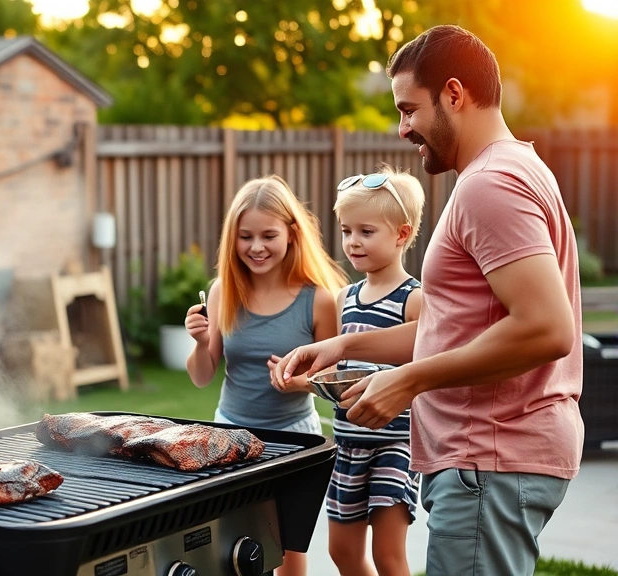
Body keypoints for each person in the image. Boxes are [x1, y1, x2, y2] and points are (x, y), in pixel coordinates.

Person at [275, 25, 582, 576]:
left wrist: (411, 380)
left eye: (410, 109)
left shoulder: (491, 184)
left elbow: (546, 329)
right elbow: (457, 328)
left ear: (455, 94)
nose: (403, 129)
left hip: (489, 457)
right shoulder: (516, 168)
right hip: (492, 458)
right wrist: (344, 345)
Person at [185, 174, 346, 576]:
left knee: (287, 549)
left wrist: (301, 383)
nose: (256, 247)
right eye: (245, 237)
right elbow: (202, 377)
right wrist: (201, 342)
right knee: (231, 549)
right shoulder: (223, 291)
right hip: (230, 437)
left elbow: (336, 382)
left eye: (268, 235)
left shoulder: (318, 300)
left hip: (295, 438)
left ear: (291, 234)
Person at [305, 167, 425, 576]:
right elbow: (342, 371)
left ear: (402, 234)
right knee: (342, 552)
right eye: (346, 230)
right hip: (348, 444)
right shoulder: (345, 298)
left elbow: (425, 370)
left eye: (366, 231)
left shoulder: (414, 299)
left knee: (388, 557)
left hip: (395, 444)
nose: (353, 241)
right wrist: (304, 382)